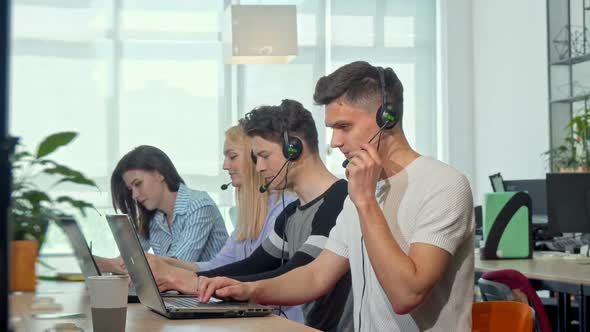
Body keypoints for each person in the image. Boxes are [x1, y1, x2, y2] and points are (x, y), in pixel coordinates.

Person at [195, 61, 475, 332]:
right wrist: (248, 290)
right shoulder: (361, 188)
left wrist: (365, 202)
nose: (335, 142)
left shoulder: (443, 185)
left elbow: (406, 296)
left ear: (385, 117)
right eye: (332, 129)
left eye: (344, 127)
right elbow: (317, 275)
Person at [147, 100, 353, 332]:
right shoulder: (291, 213)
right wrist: (197, 280)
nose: (259, 168)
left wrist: (198, 284)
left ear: (294, 149)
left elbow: (299, 271)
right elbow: (251, 266)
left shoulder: (339, 201)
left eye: (264, 155)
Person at [97, 145, 228, 272]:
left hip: (216, 293)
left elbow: (175, 267)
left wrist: (114, 265)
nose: (135, 195)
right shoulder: (153, 216)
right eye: (131, 189)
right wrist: (100, 262)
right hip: (180, 292)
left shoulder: (199, 205)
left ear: (159, 174)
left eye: (138, 184)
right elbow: (128, 260)